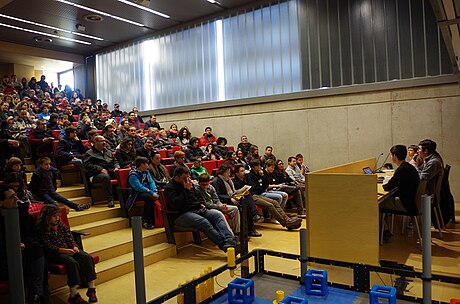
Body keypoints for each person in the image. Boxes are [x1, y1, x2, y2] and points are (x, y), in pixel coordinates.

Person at [164, 166, 236, 252]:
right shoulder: (169, 188)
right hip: (180, 214)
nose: (187, 179)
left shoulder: (189, 185)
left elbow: (198, 198)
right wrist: (186, 190)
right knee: (204, 222)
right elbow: (176, 204)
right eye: (184, 178)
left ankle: (230, 241)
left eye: (188, 177)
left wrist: (200, 204)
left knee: (217, 215)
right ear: (176, 177)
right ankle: (224, 245)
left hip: (195, 210)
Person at [0, 184, 51, 304]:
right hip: (5, 259)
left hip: (25, 252)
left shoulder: (21, 211)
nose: (16, 200)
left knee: (37, 251)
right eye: (12, 197)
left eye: (16, 195)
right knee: (38, 262)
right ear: (1, 202)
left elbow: (33, 234)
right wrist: (12, 246)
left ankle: (36, 296)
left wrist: (23, 244)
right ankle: (38, 296)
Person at [38, 205, 97, 304]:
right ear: (47, 217)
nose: (57, 218)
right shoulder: (41, 228)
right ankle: (74, 294)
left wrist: (74, 246)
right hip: (54, 254)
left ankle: (91, 288)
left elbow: (69, 237)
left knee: (86, 257)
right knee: (71, 262)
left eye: (58, 216)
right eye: (54, 216)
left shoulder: (60, 224)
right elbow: (48, 246)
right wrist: (64, 250)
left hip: (68, 249)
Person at [234, 164, 301, 230]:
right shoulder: (237, 182)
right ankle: (285, 223)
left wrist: (262, 176)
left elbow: (265, 185)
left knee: (274, 202)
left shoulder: (247, 178)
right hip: (249, 198)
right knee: (270, 205)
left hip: (255, 195)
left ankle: (287, 219)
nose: (244, 172)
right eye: (241, 171)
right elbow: (250, 189)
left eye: (244, 170)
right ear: (237, 173)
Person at [380, 145, 420, 240]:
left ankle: (384, 231)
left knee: (377, 204)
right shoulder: (408, 167)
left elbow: (388, 187)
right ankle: (384, 229)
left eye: (391, 155)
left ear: (394, 156)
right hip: (411, 202)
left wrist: (384, 183)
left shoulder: (402, 170)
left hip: (405, 204)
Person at [212, 165, 263, 237]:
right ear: (222, 172)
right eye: (227, 172)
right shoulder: (217, 181)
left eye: (229, 172)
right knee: (244, 208)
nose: (229, 174)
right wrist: (230, 199)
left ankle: (250, 229)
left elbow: (234, 191)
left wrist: (243, 190)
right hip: (225, 200)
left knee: (247, 198)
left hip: (232, 197)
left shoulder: (228, 180)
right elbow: (218, 195)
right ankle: (246, 230)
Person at [84, 135, 120, 208]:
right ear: (96, 142)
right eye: (102, 141)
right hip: (95, 175)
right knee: (105, 177)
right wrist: (100, 169)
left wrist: (117, 167)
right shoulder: (89, 153)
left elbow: (115, 161)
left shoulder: (108, 152)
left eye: (105, 141)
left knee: (123, 174)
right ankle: (110, 200)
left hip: (110, 172)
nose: (104, 143)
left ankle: (123, 196)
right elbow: (87, 165)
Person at [126, 157, 159, 229]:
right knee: (149, 198)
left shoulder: (146, 172)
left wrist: (154, 190)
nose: (148, 165)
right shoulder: (133, 174)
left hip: (148, 191)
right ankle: (147, 221)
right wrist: (151, 192)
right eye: (146, 163)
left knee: (162, 193)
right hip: (136, 193)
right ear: (142, 165)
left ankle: (157, 219)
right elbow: (138, 187)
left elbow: (151, 182)